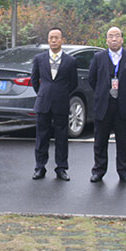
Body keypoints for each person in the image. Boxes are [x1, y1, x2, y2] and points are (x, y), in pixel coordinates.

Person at [88, 26, 126, 184]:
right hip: (104, 104)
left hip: (123, 105)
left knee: (123, 141)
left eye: (117, 36)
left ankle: (124, 172)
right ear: (106, 40)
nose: (114, 39)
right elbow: (92, 80)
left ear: (122, 39)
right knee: (100, 141)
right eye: (110, 36)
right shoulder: (98, 57)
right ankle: (98, 170)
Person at [30, 27, 78, 181]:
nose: (54, 40)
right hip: (43, 102)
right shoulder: (39, 58)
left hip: (61, 102)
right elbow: (34, 80)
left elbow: (73, 83)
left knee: (61, 137)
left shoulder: (70, 61)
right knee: (41, 136)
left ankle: (61, 168)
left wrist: (61, 93)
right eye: (51, 37)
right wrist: (43, 93)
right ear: (48, 40)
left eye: (57, 37)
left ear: (62, 40)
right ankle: (40, 167)